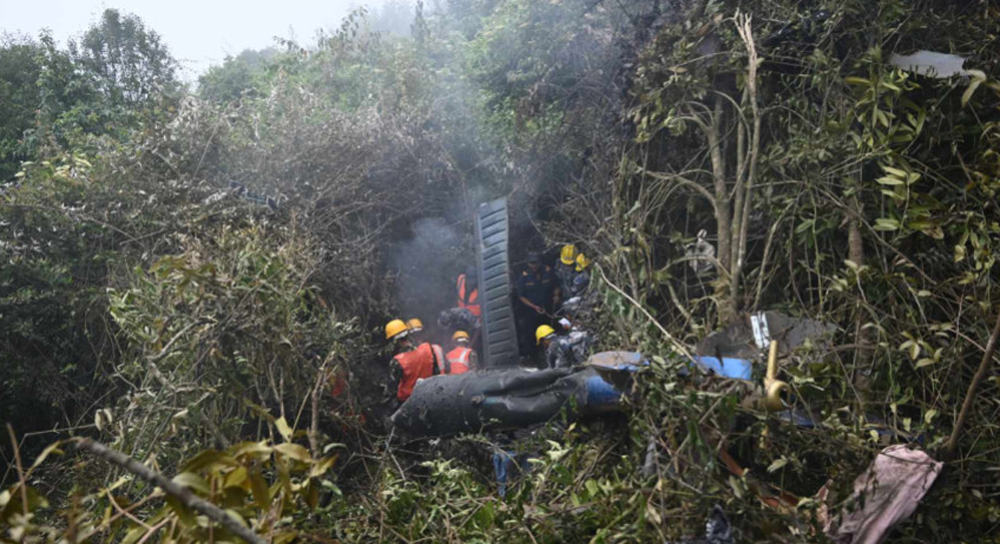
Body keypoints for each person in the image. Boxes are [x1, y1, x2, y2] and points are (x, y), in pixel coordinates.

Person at [385, 318, 450, 405]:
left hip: (408, 402)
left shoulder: (397, 361)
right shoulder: (427, 350)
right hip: (429, 396)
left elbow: (392, 389)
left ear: (395, 341)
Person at [516, 252, 557, 356]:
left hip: (548, 308)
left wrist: (556, 296)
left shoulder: (547, 271)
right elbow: (521, 296)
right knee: (531, 334)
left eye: (536, 263)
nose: (534, 266)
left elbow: (556, 285)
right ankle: (533, 356)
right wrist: (534, 306)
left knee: (551, 331)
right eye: (531, 263)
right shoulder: (523, 277)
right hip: (531, 312)